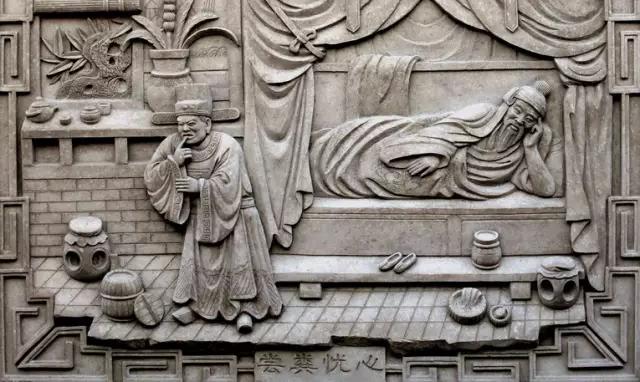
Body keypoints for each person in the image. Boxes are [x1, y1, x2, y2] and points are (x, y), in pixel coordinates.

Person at [144, 85, 282, 332]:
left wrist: (199, 186)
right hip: (201, 215)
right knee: (201, 265)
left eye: (192, 124)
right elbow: (151, 175)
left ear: (207, 124)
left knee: (239, 263)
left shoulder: (226, 145)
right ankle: (197, 306)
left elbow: (229, 182)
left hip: (235, 215)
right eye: (181, 124)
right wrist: (173, 163)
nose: (185, 129)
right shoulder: (173, 143)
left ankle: (246, 310)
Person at [310, 81, 558, 200]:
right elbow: (443, 130)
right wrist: (434, 155)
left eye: (528, 119)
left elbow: (546, 190)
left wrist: (530, 149)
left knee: (371, 180)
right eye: (518, 111)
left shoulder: (520, 152)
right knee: (367, 158)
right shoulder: (483, 112)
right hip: (423, 152)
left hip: (443, 183)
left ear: (533, 125)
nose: (519, 120)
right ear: (508, 105)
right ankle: (324, 154)